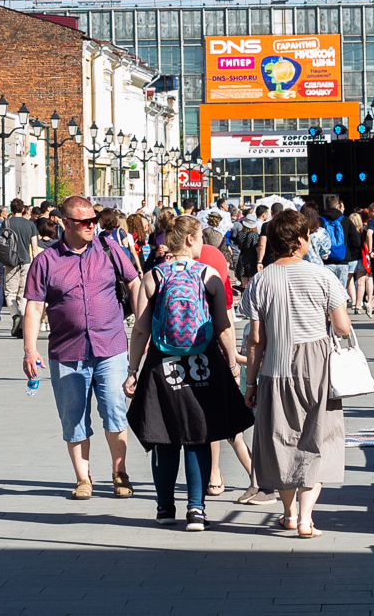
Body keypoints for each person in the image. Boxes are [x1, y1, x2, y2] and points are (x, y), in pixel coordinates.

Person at [123, 215, 254, 531]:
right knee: (199, 436)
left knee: (164, 438)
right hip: (203, 365)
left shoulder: (154, 276)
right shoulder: (208, 275)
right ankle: (196, 509)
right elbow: (223, 326)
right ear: (193, 239)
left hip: (161, 365)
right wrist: (233, 367)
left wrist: (132, 370)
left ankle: (165, 507)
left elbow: (141, 329)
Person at [22, 195, 141, 501]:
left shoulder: (108, 247)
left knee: (115, 410)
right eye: (84, 222)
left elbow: (134, 283)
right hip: (67, 351)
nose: (92, 226)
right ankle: (83, 478)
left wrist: (144, 322)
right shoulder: (46, 261)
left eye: (94, 220)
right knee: (73, 418)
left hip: (111, 346)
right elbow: (34, 307)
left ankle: (119, 472)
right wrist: (30, 350)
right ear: (65, 223)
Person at [247, 209, 352, 538]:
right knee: (317, 438)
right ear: (299, 240)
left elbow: (254, 340)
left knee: (280, 438)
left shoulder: (260, 280)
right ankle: (306, 519)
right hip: (317, 366)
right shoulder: (322, 277)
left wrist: (250, 383)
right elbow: (342, 328)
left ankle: (289, 513)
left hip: (276, 367)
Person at [0, 201, 39, 337]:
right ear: (22, 209)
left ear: (12, 209)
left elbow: (2, 242)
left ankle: (15, 316)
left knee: (10, 293)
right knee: (22, 294)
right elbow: (34, 247)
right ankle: (22, 324)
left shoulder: (6, 223)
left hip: (10, 262)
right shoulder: (30, 224)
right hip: (26, 261)